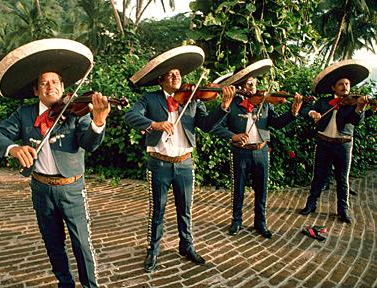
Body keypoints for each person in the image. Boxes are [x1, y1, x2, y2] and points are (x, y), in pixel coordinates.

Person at [0, 39, 110, 288]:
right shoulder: (24, 114)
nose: (50, 86)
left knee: (82, 243)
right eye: (44, 83)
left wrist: (97, 121)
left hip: (72, 188)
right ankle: (65, 283)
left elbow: (90, 143)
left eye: (54, 82)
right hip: (41, 189)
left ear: (63, 87)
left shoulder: (76, 112)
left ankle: (89, 285)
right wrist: (14, 148)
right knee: (53, 243)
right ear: (36, 90)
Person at [124, 45, 236, 273]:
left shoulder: (193, 100)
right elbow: (130, 115)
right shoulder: (150, 98)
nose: (176, 77)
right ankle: (153, 250)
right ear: (161, 79)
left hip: (185, 163)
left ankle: (187, 246)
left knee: (185, 209)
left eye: (178, 73)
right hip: (159, 163)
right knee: (158, 210)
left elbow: (205, 126)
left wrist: (223, 107)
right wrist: (154, 124)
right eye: (170, 74)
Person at [213, 59, 303, 239]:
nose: (252, 85)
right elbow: (216, 126)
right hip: (240, 151)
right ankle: (236, 220)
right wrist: (232, 136)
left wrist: (293, 112)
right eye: (248, 82)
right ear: (240, 85)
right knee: (238, 188)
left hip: (261, 151)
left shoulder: (265, 102)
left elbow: (276, 123)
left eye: (254, 81)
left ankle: (260, 222)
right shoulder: (231, 103)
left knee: (261, 188)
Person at [299, 60, 370, 224]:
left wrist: (359, 108)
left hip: (343, 145)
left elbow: (356, 121)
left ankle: (343, 210)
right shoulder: (324, 102)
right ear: (333, 88)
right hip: (323, 143)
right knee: (318, 176)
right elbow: (303, 110)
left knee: (342, 179)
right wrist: (312, 113)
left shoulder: (354, 103)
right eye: (341, 84)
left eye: (347, 84)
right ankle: (311, 204)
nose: (345, 87)